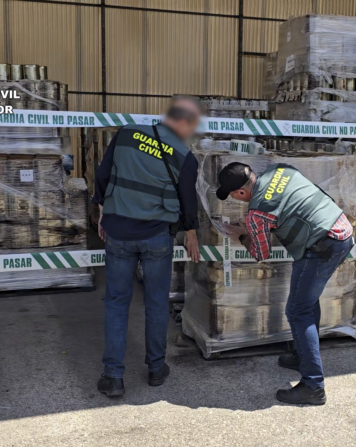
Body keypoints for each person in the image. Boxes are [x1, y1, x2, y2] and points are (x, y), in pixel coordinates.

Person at [215, 162, 354, 405]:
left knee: (297, 310)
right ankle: (302, 355)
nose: (235, 201)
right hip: (341, 230)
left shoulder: (256, 212)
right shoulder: (280, 169)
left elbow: (261, 253)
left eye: (232, 197)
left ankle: (313, 385)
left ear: (240, 193)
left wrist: (242, 235)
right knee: (307, 303)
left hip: (322, 246)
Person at [92, 96, 202, 397]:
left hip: (119, 232)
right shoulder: (185, 155)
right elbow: (187, 200)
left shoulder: (126, 133)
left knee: (116, 303)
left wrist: (102, 210)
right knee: (156, 304)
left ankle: (113, 376)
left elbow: (103, 175)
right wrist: (191, 231)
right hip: (157, 236)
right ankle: (156, 368)